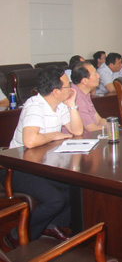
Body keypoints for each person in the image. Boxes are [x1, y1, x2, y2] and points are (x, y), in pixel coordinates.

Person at [2, 66, 83, 244]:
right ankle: (16, 236)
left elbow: (77, 130)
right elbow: (30, 141)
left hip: (41, 165)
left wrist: (71, 105)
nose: (71, 88)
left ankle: (52, 225)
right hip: (17, 167)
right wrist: (54, 135)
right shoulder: (35, 106)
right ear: (55, 91)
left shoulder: (60, 105)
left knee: (76, 188)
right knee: (55, 200)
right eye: (68, 85)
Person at [71, 61, 107, 138]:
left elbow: (99, 120)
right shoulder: (75, 97)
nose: (98, 76)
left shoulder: (85, 93)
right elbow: (91, 128)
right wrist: (111, 127)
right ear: (85, 81)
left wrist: (111, 124)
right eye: (95, 74)